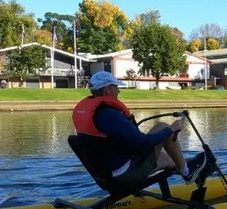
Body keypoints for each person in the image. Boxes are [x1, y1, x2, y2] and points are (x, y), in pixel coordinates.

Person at [72, 71, 208, 186]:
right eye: (116, 87)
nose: (118, 90)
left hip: (107, 174)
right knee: (163, 127)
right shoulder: (109, 115)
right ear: (107, 89)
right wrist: (171, 129)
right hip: (126, 175)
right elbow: (143, 143)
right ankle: (188, 173)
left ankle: (185, 168)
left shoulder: (95, 114)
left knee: (169, 159)